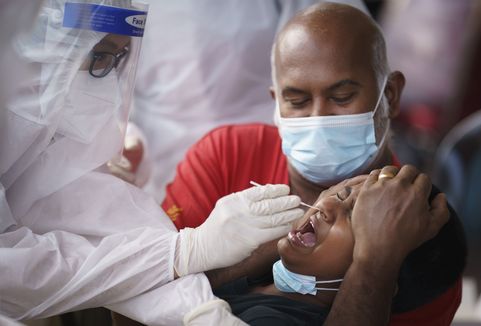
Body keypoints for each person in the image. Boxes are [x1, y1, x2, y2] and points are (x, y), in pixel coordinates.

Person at [0, 1, 304, 325]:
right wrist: (181, 252)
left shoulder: (40, 134)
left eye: (120, 58)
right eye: (100, 56)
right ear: (39, 46)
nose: (106, 80)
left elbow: (116, 235)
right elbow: (13, 272)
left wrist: (202, 311)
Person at [162, 2, 463, 324]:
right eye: (297, 101)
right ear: (276, 102)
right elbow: (148, 285)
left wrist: (374, 263)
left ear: (388, 95)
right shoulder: (226, 154)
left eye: (342, 97)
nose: (318, 118)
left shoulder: (422, 235)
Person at [129, 0, 369, 202]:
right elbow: (107, 83)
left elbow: (349, 54)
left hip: (277, 170)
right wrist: (122, 138)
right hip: (159, 176)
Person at [215, 165, 467, 325]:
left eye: (355, 218)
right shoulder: (253, 279)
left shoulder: (274, 320)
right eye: (341, 194)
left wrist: (375, 262)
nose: (325, 204)